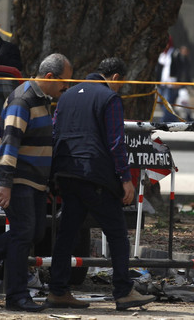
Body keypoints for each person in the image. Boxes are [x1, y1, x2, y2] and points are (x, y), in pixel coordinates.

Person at [47, 57, 156, 311]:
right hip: (95, 175)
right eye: (121, 83)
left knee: (66, 234)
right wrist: (125, 179)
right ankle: (123, 290)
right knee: (117, 234)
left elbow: (55, 133)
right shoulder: (109, 98)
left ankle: (57, 290)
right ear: (115, 78)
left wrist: (53, 174)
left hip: (67, 173)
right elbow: (116, 141)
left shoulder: (66, 96)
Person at [0, 53, 72, 312]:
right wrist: (5, 183)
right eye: (64, 82)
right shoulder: (23, 99)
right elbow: (9, 143)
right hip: (18, 180)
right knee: (24, 234)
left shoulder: (43, 99)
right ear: (49, 77)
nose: (66, 87)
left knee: (34, 232)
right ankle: (16, 296)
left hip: (34, 182)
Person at [155, 35, 187, 122]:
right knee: (160, 102)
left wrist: (178, 82)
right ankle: (173, 119)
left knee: (167, 103)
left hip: (171, 84)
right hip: (162, 84)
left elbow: (181, 69)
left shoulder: (175, 53)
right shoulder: (162, 55)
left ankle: (165, 121)